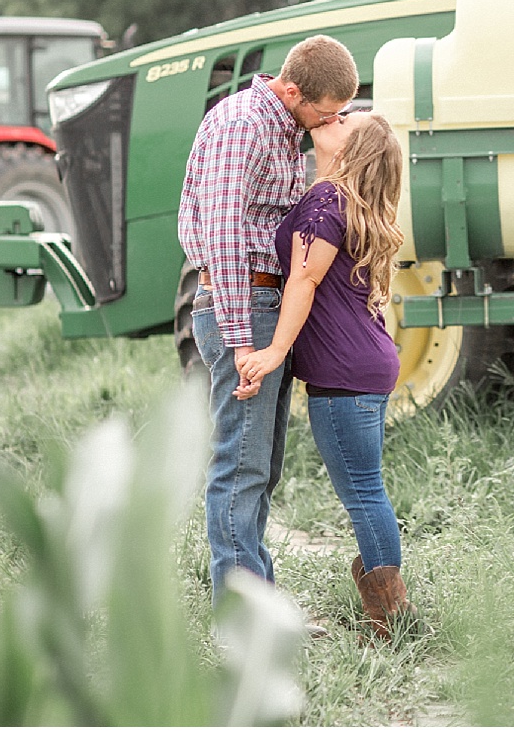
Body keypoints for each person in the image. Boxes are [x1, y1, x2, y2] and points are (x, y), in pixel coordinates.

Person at [177, 34, 358, 610]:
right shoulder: (243, 126)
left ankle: (259, 601)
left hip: (265, 305)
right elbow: (226, 238)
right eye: (324, 112)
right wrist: (239, 344)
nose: (327, 124)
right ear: (292, 89)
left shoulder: (284, 128)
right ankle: (241, 614)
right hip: (243, 309)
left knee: (263, 464)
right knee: (241, 465)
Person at [234, 110, 413, 640]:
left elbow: (304, 281)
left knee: (363, 492)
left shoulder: (326, 201)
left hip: (345, 371)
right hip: (368, 363)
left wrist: (272, 351)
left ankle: (391, 620)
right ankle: (388, 608)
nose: (330, 120)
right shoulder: (345, 203)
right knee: (368, 489)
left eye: (343, 122)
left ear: (352, 150)